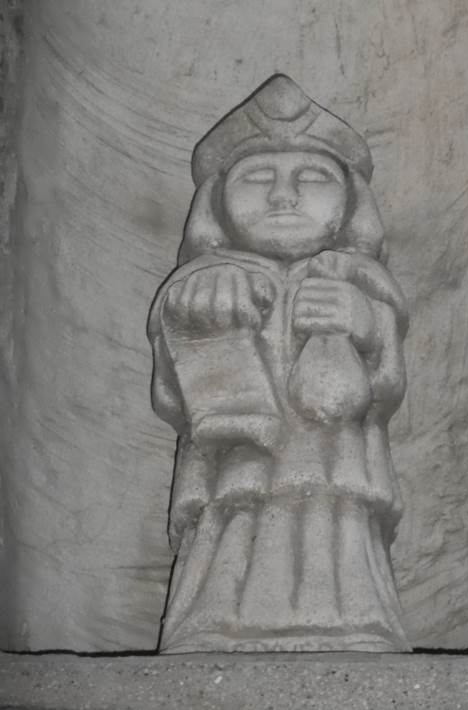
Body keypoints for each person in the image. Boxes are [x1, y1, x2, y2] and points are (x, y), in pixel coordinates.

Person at [148, 75, 410, 652]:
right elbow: (171, 400)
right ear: (217, 202)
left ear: (351, 202)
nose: (283, 196)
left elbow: (387, 387)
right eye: (257, 178)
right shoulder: (202, 282)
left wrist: (363, 323)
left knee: (337, 530)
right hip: (234, 476)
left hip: (339, 468)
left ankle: (356, 624)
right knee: (232, 527)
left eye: (312, 177)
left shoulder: (363, 283)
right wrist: (198, 321)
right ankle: (212, 624)